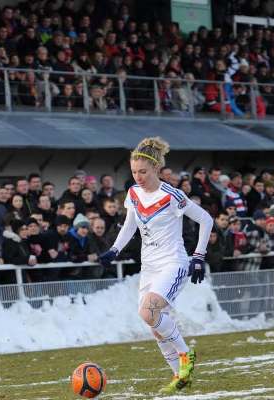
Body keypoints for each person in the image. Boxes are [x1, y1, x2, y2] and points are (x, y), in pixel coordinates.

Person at [98, 137, 213, 393]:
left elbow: (206, 220)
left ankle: (186, 356)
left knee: (147, 312)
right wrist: (114, 249)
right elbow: (130, 225)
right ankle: (179, 376)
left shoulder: (172, 195)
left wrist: (198, 256)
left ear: (156, 169)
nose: (138, 177)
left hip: (173, 262)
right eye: (134, 172)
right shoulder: (133, 193)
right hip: (149, 267)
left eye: (143, 172)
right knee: (154, 325)